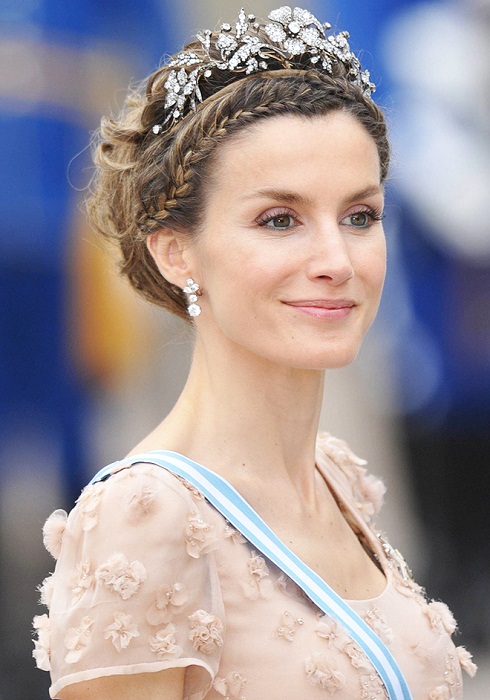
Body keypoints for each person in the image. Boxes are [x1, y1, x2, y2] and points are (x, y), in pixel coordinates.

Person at [32, 6, 477, 699]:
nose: (337, 260)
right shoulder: (144, 517)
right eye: (279, 220)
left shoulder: (337, 476)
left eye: (360, 216)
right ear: (176, 252)